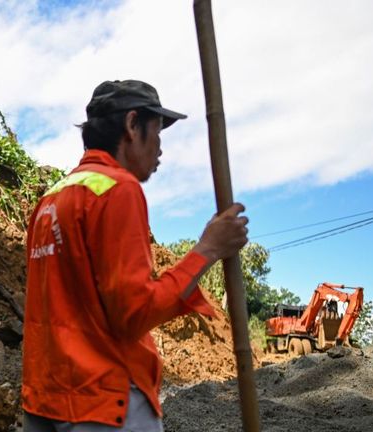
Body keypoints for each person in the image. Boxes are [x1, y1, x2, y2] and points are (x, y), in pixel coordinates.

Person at [22, 80, 250, 431]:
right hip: (102, 402)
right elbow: (134, 312)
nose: (160, 149)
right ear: (132, 125)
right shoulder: (118, 189)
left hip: (44, 402)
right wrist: (208, 250)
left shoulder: (51, 199)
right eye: (157, 132)